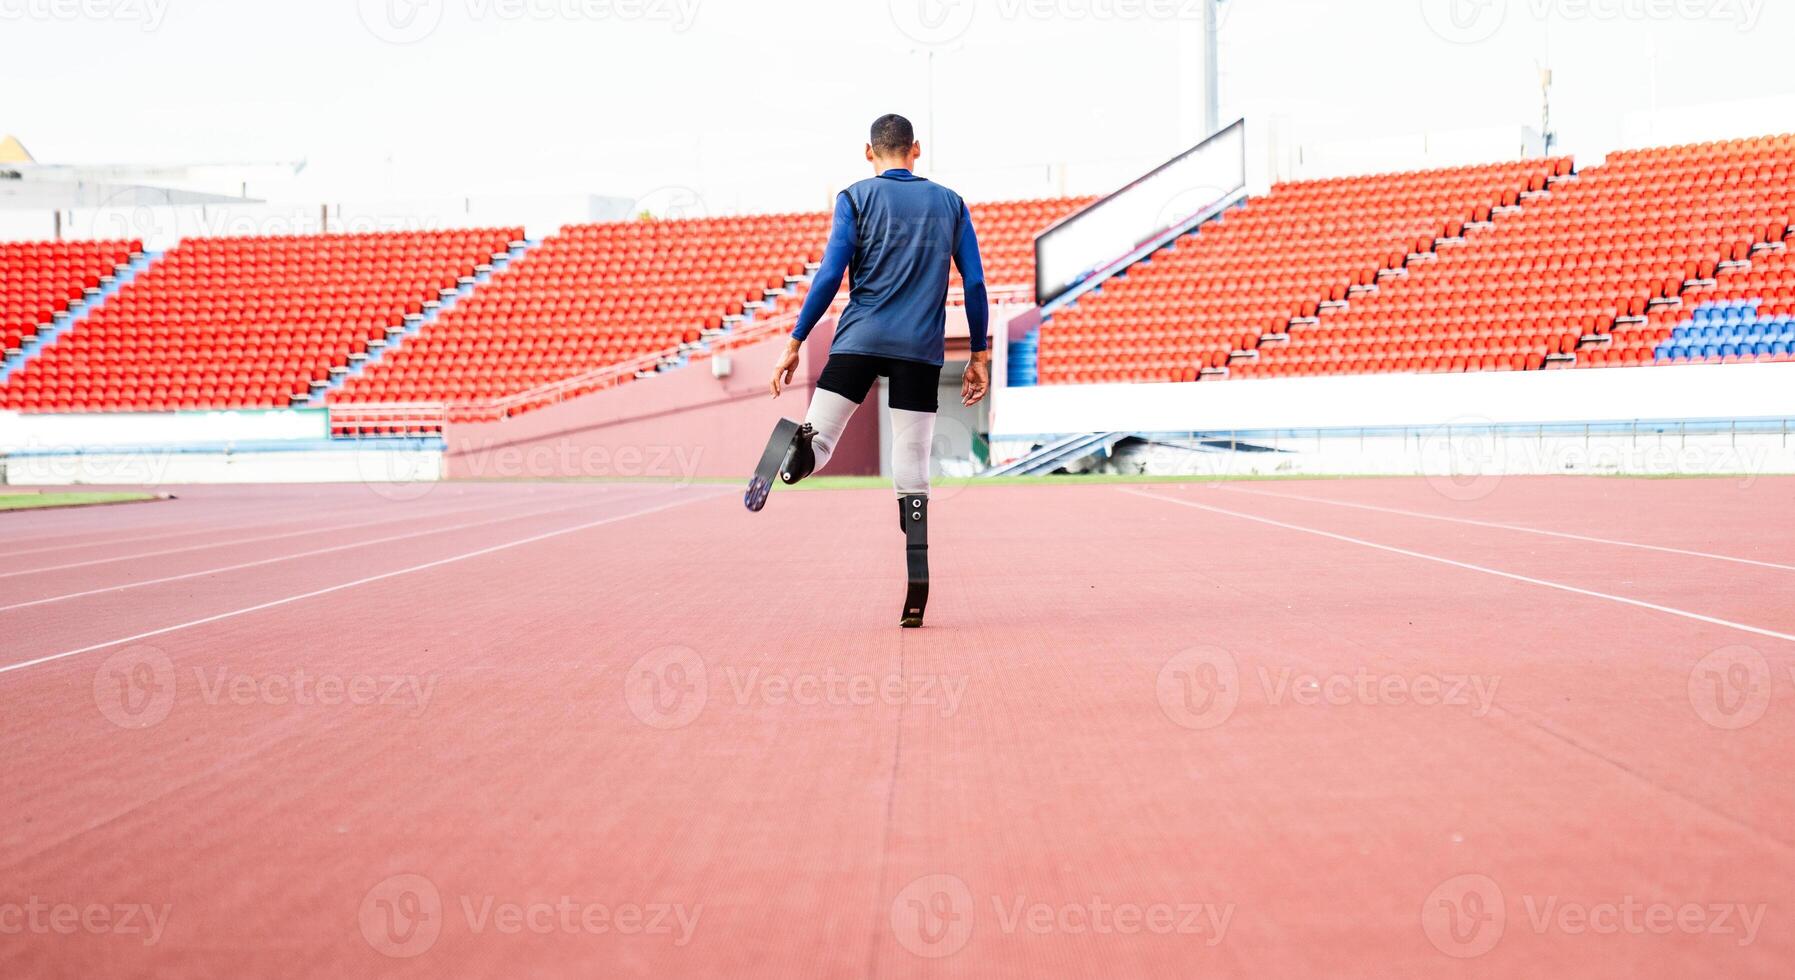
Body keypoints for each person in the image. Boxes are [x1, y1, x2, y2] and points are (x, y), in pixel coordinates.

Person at [746, 112, 991, 629]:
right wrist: (978, 354)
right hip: (919, 350)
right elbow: (973, 283)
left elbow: (831, 273)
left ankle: (798, 448)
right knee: (911, 461)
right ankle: (917, 561)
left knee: (823, 443)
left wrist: (794, 343)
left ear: (868, 153)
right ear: (916, 149)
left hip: (858, 339)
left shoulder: (854, 197)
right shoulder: (951, 203)